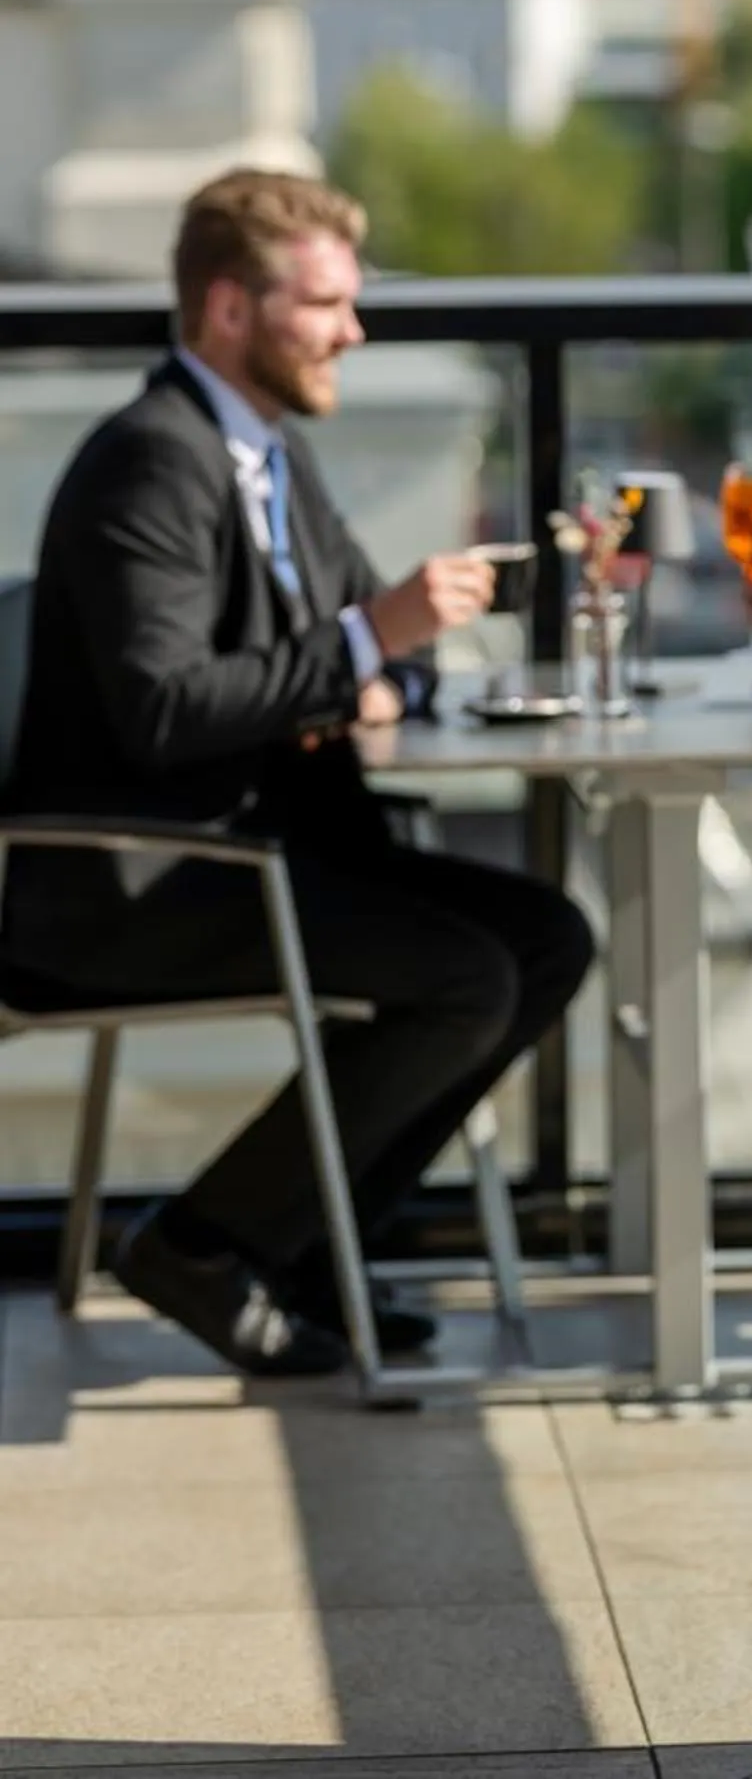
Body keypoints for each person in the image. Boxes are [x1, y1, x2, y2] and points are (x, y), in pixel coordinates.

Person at [0, 170, 595, 1377]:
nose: (352, 332)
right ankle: (204, 1245)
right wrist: (372, 643)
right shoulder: (152, 465)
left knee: (546, 939)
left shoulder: (266, 456)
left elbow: (366, 648)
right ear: (229, 310)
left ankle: (306, 1244)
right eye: (324, 305)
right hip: (132, 884)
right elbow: (168, 708)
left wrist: (385, 658)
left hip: (271, 847)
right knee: (466, 977)